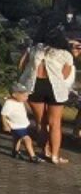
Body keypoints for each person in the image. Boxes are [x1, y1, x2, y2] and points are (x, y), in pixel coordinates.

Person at [27, 30, 76, 165]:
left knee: (41, 123)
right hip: (54, 88)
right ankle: (55, 155)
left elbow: (23, 65)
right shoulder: (65, 54)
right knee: (55, 124)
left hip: (35, 85)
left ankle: (44, 151)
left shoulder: (35, 50)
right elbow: (65, 75)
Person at [2, 83, 39, 162]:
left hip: (22, 125)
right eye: (24, 96)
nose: (26, 98)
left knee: (17, 139)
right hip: (16, 126)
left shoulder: (20, 101)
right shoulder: (9, 104)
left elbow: (27, 109)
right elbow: (3, 114)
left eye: (27, 96)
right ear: (15, 95)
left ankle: (15, 151)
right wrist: (5, 125)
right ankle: (32, 156)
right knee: (27, 139)